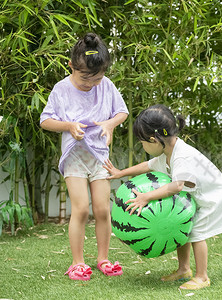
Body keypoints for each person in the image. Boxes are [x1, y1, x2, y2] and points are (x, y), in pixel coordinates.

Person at [103, 104, 222, 290]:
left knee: (196, 233)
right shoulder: (169, 149)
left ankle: (202, 277)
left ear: (154, 139)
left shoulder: (182, 156)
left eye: (142, 142)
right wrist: (121, 173)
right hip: (199, 194)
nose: (142, 146)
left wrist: (147, 197)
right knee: (183, 226)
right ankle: (184, 269)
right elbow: (148, 166)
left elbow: (177, 186)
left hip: (212, 197)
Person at [40, 33, 128, 281]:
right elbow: (45, 121)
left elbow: (122, 112)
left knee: (102, 209)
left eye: (96, 78)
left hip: (99, 156)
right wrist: (68, 126)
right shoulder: (61, 89)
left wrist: (110, 125)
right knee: (80, 209)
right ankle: (77, 262)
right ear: (71, 66)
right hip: (74, 158)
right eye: (85, 77)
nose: (90, 83)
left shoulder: (107, 85)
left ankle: (103, 259)